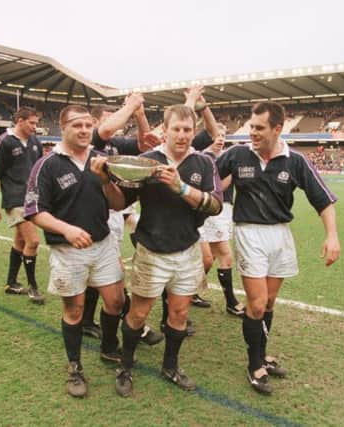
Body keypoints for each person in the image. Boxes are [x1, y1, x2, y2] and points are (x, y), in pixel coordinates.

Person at [216, 102, 340, 395]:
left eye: (259, 128)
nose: (253, 133)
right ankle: (254, 365)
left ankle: (262, 355)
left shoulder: (295, 161)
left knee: (269, 303)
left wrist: (332, 236)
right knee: (256, 304)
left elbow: (322, 200)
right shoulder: (236, 155)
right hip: (249, 233)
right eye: (251, 127)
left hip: (281, 236)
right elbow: (208, 177)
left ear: (277, 128)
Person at [113, 104, 223, 397]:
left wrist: (181, 188)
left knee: (179, 312)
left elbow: (215, 205)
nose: (183, 135)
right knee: (139, 313)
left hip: (187, 249)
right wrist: (104, 179)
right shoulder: (147, 161)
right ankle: (125, 366)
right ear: (166, 129)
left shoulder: (203, 163)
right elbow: (118, 202)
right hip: (152, 249)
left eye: (188, 130)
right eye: (176, 129)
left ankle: (170, 366)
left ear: (194, 131)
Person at [24, 105, 126, 398]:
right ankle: (75, 366)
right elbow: (34, 211)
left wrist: (106, 179)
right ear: (62, 128)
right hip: (68, 250)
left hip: (103, 244)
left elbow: (118, 205)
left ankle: (108, 348)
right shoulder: (48, 164)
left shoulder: (101, 160)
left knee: (116, 302)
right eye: (76, 125)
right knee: (74, 310)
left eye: (88, 124)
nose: (83, 130)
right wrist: (66, 229)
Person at [80, 94, 164, 346]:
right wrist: (130, 105)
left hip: (115, 210)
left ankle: (87, 321)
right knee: (112, 273)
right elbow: (106, 128)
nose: (117, 124)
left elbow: (144, 145)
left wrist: (139, 114)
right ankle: (135, 326)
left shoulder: (116, 144)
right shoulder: (94, 140)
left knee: (101, 272)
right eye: (112, 119)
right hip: (96, 213)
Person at [0, 107, 45, 303]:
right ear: (20, 121)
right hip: (15, 199)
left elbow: (41, 171)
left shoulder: (36, 142)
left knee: (20, 242)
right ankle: (33, 287)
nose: (35, 127)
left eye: (36, 123)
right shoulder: (4, 141)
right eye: (32, 123)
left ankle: (11, 283)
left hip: (33, 200)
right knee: (33, 242)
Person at [198, 123, 244, 317]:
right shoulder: (206, 157)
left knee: (211, 258)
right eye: (217, 135)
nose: (221, 138)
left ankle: (188, 291)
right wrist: (234, 173)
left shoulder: (222, 156)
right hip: (214, 210)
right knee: (221, 256)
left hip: (223, 210)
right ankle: (231, 302)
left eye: (224, 135)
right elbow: (219, 187)